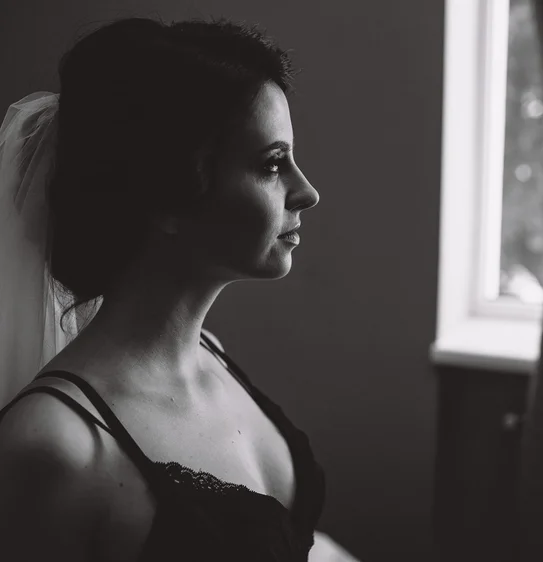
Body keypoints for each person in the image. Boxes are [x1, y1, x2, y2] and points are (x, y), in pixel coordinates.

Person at [0, 15, 361, 562]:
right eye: (271, 165)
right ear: (167, 195)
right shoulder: (54, 446)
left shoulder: (213, 354)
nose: (306, 191)